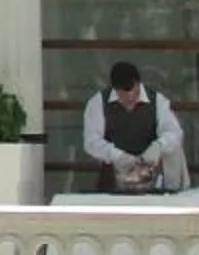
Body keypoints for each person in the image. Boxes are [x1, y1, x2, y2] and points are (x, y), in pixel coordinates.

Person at [82, 60, 191, 193]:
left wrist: (158, 147)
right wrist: (118, 156)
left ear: (139, 84)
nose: (129, 98)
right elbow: (91, 142)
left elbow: (174, 133)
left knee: (174, 152)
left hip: (151, 173)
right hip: (117, 175)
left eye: (133, 92)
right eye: (123, 95)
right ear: (115, 89)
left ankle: (172, 192)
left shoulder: (158, 101)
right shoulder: (97, 103)